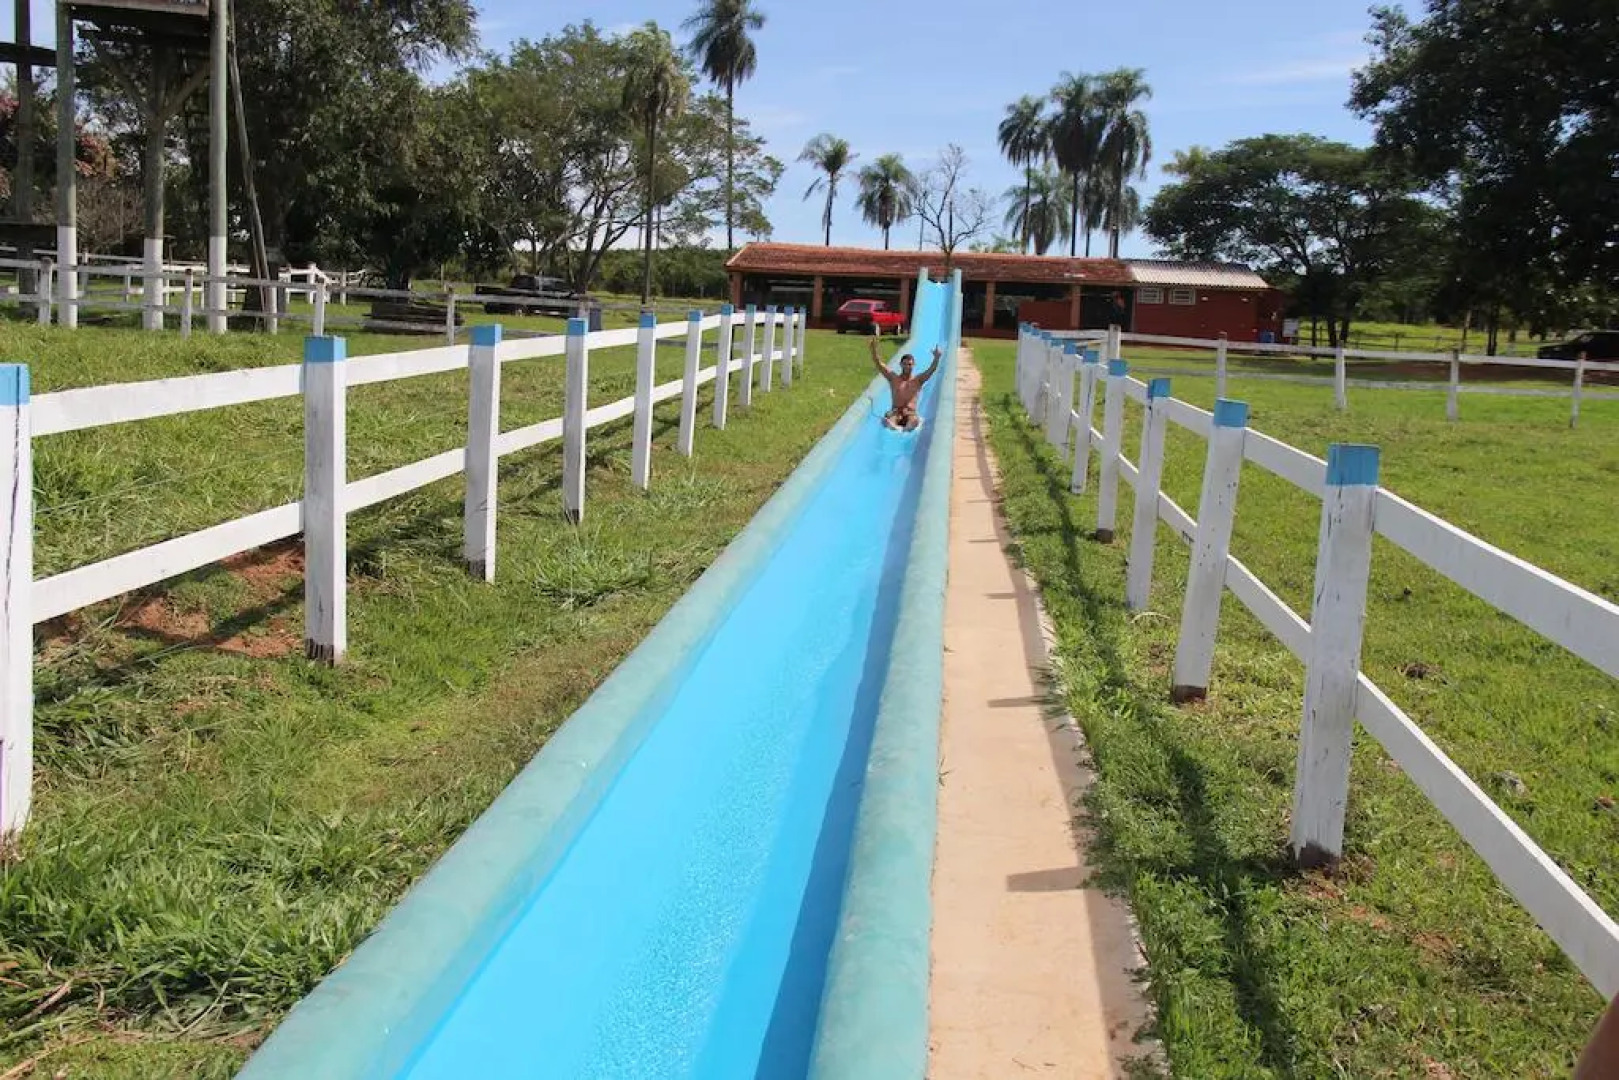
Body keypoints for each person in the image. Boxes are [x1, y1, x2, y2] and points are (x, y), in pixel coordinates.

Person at [871, 338, 942, 431]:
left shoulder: (918, 380)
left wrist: (936, 358)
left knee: (914, 421)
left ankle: (906, 428)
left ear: (914, 365)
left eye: (909, 364)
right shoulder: (893, 378)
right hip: (896, 413)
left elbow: (931, 370)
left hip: (910, 413)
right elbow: (880, 365)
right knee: (889, 421)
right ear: (900, 364)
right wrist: (874, 351)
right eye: (905, 364)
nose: (907, 366)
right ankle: (896, 427)